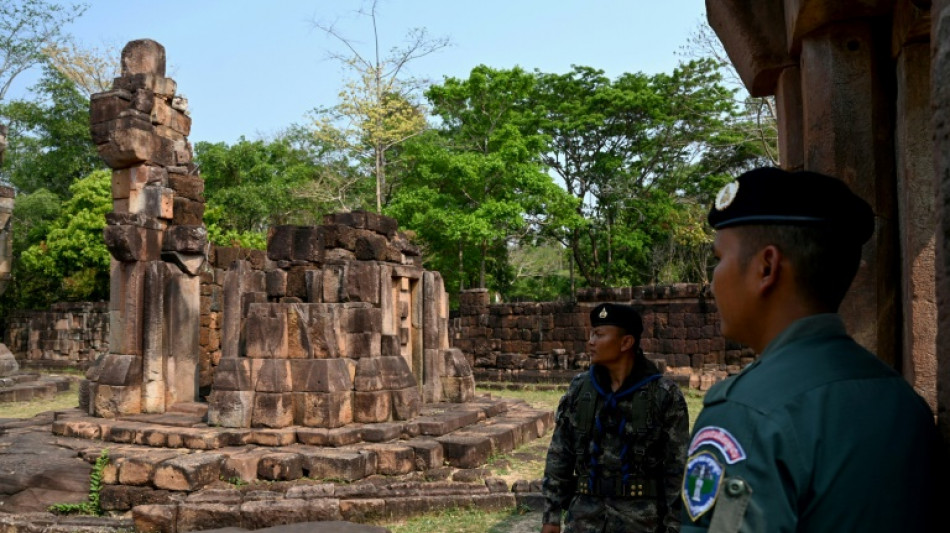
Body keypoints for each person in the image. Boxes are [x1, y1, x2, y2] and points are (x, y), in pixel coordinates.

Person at [681, 167, 938, 532]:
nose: (712, 282)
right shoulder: (902, 401)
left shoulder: (746, 414)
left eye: (718, 259)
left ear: (766, 267)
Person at [542, 302, 689, 533]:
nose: (590, 341)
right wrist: (551, 517)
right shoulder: (580, 390)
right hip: (583, 520)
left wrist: (675, 526)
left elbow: (677, 470)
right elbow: (560, 454)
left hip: (641, 522)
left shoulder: (663, 395)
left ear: (626, 342)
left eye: (599, 335)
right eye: (591, 333)